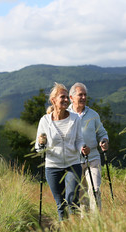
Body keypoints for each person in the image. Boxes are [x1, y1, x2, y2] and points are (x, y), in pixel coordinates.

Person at [35, 82, 90, 221]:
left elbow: (79, 140)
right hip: (53, 166)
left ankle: (76, 228)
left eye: (67, 97)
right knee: (61, 204)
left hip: (73, 163)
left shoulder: (75, 118)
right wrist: (41, 143)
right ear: (53, 100)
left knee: (72, 200)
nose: (66, 100)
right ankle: (65, 227)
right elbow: (38, 147)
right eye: (62, 97)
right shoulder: (45, 121)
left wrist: (83, 147)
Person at [68, 82, 109, 212]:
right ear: (71, 97)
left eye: (85, 95)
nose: (84, 98)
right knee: (81, 195)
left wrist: (104, 141)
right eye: (80, 95)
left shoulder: (93, 114)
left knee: (95, 190)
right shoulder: (65, 115)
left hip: (93, 158)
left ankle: (98, 222)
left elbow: (102, 133)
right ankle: (85, 223)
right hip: (74, 161)